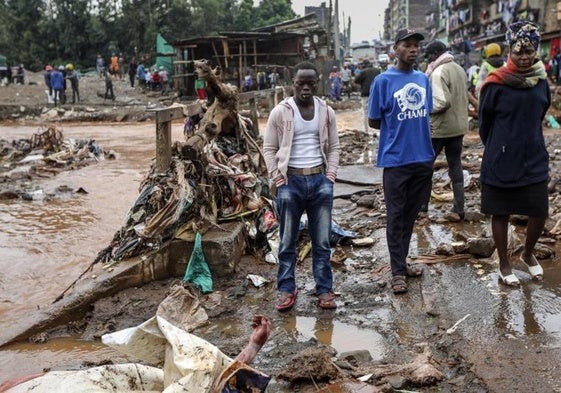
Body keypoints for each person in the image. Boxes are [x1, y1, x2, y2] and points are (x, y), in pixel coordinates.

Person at [263, 61, 340, 311]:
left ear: (317, 84)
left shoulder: (326, 111)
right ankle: (286, 289)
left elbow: (335, 147)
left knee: (322, 241)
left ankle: (324, 290)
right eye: (300, 83)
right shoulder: (280, 112)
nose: (305, 88)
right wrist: (277, 178)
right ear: (292, 84)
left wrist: (330, 176)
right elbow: (269, 148)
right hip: (290, 182)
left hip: (320, 181)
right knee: (287, 241)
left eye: (310, 84)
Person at [478, 20, 549, 286]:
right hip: (501, 158)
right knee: (501, 212)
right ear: (510, 51)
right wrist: (500, 146)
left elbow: (541, 112)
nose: (523, 56)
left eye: (528, 51)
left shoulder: (540, 82)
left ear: (536, 51)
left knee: (539, 210)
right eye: (518, 51)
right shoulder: (495, 84)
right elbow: (485, 124)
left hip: (534, 156)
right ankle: (504, 263)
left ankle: (528, 254)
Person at [367, 29, 434, 294]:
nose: (414, 49)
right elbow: (374, 120)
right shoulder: (383, 81)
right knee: (395, 216)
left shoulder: (423, 79)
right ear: (395, 49)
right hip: (395, 161)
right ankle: (396, 273)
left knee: (409, 216)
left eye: (417, 45)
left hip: (423, 159)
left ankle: (401, 263)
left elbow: (425, 114)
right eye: (408, 45)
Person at [421, 40, 469, 220]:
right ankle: (459, 208)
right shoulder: (458, 68)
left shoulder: (438, 71)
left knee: (426, 166)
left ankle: (422, 208)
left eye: (429, 56)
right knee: (455, 165)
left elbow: (442, 101)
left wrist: (425, 110)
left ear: (434, 55)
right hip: (459, 127)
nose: (428, 60)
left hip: (440, 128)